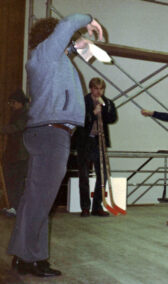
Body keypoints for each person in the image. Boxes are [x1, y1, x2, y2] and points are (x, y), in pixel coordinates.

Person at [7, 14, 103, 277]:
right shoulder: (45, 54)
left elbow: (74, 46)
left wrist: (85, 41)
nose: (68, 42)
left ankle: (27, 256)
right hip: (51, 133)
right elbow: (66, 26)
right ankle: (29, 257)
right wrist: (89, 20)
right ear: (51, 36)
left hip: (51, 132)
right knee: (40, 200)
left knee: (36, 199)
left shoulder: (51, 58)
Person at [74, 77, 117, 217]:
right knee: (84, 176)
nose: (99, 92)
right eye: (96, 88)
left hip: (100, 143)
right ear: (91, 88)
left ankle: (97, 206)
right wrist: (93, 114)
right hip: (85, 143)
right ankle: (85, 207)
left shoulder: (108, 102)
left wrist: (102, 108)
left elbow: (112, 118)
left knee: (102, 175)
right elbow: (79, 120)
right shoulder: (82, 101)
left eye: (101, 89)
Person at [0, 89, 29, 217]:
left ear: (20, 103)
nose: (11, 105)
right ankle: (12, 206)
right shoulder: (17, 113)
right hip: (13, 154)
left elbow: (17, 128)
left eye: (13, 102)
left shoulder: (24, 114)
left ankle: (16, 208)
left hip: (20, 155)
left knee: (17, 182)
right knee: (10, 180)